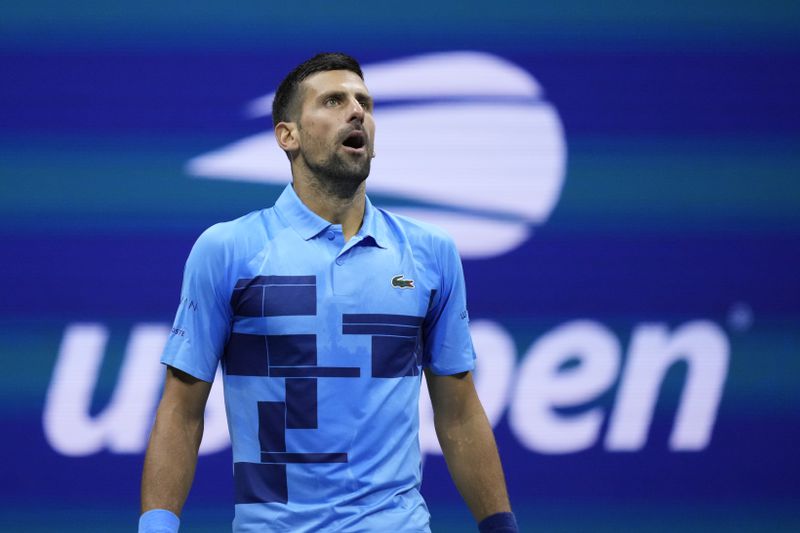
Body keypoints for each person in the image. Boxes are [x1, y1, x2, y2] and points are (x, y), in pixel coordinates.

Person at [139, 52, 517, 533]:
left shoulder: (431, 253)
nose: (356, 111)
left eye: (364, 102)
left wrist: (501, 527)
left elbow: (459, 410)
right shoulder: (228, 250)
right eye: (333, 101)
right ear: (287, 135)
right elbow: (182, 411)